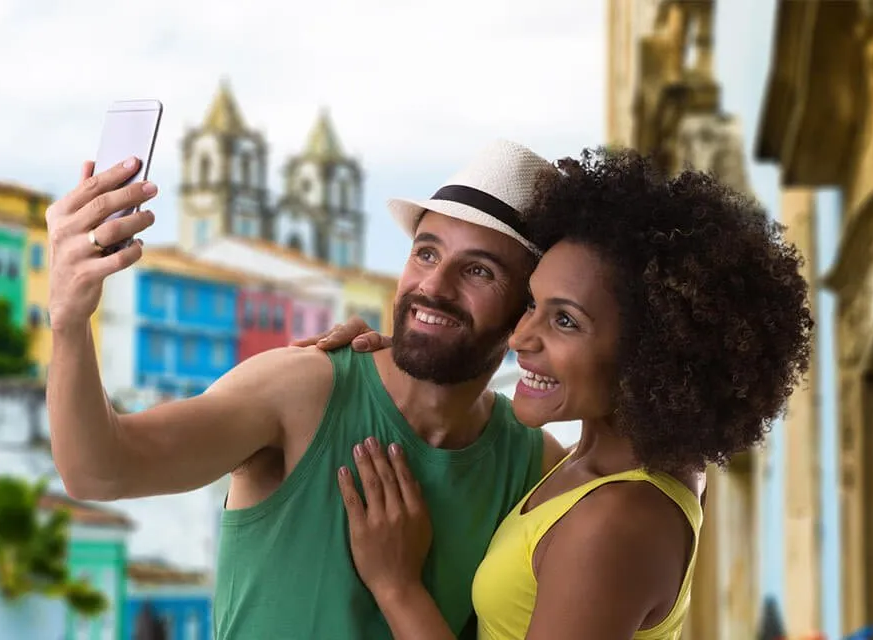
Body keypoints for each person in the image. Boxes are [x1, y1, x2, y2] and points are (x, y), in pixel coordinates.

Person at [45, 139, 568, 638]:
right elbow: (98, 471)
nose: (433, 286)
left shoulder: (533, 464)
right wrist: (69, 321)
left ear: (531, 309)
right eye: (425, 254)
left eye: (478, 270)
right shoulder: (300, 388)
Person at [313, 148, 814, 639]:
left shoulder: (615, 523)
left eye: (565, 321)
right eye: (532, 303)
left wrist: (397, 585)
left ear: (653, 350)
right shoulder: (601, 468)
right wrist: (417, 349)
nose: (521, 338)